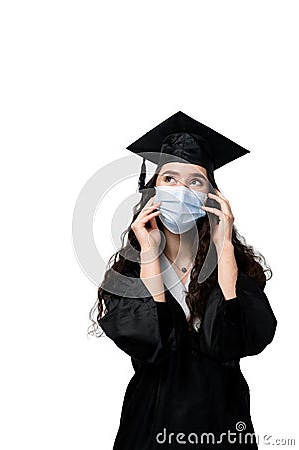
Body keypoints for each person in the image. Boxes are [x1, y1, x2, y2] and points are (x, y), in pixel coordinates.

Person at [88, 111, 277, 449]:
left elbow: (240, 339)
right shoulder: (130, 271)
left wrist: (224, 247)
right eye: (170, 180)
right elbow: (152, 346)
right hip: (152, 420)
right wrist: (148, 253)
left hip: (221, 418)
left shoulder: (237, 265)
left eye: (196, 181)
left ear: (210, 196)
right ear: (153, 190)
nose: (182, 190)